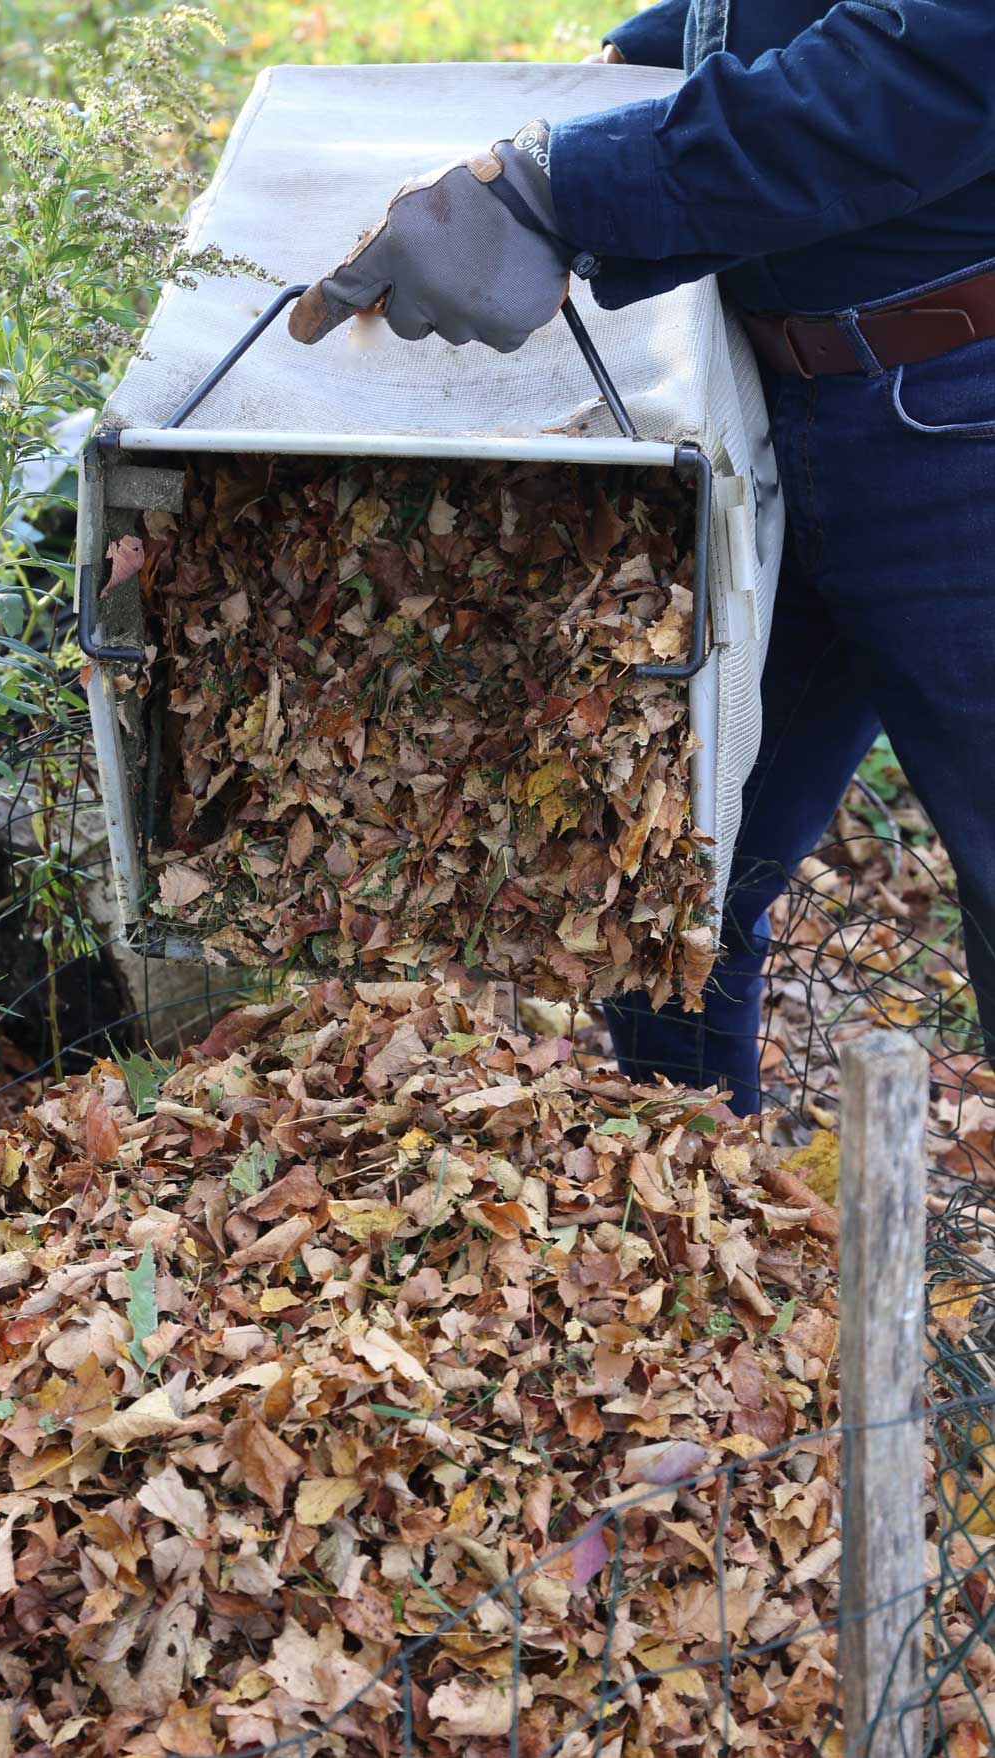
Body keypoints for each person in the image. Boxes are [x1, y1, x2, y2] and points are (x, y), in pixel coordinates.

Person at [289, 0, 995, 1114]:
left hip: (961, 407)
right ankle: (685, 1216)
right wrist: (679, 42)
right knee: (669, 870)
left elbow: (938, 56)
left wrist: (563, 189)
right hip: (771, 402)